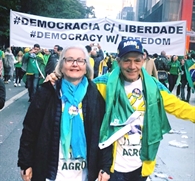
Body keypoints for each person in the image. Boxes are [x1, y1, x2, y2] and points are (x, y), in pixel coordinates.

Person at [46, 39, 195, 181]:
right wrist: (56, 78)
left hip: (141, 164)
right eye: (127, 60)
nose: (132, 66)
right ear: (118, 62)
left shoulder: (154, 88)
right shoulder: (102, 85)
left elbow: (179, 107)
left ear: (143, 60)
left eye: (137, 60)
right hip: (113, 166)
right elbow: (77, 87)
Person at [17, 45, 112, 181]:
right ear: (61, 66)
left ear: (86, 66)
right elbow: (30, 129)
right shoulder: (47, 92)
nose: (75, 64)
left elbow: (104, 133)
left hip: (84, 174)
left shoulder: (94, 94)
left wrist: (105, 166)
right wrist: (25, 163)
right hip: (52, 173)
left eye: (80, 60)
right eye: (69, 60)